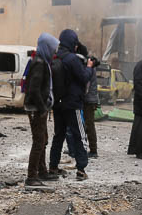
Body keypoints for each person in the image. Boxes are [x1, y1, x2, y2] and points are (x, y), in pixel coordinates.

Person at [47, 28, 93, 181]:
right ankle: (81, 169)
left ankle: (53, 166)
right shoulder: (73, 59)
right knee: (80, 136)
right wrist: (90, 67)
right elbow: (83, 78)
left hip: (58, 104)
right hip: (73, 104)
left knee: (58, 136)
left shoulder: (55, 57)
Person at [24, 33, 58, 186]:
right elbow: (34, 89)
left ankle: (42, 171)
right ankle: (31, 176)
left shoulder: (42, 61)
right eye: (53, 48)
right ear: (47, 47)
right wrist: (43, 108)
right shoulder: (39, 63)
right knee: (38, 142)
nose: (54, 51)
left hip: (39, 108)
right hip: (36, 109)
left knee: (43, 140)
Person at [81, 50, 100, 157]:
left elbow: (86, 87)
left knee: (89, 125)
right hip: (91, 99)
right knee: (88, 125)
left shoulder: (89, 69)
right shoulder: (92, 68)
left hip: (88, 100)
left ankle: (93, 150)